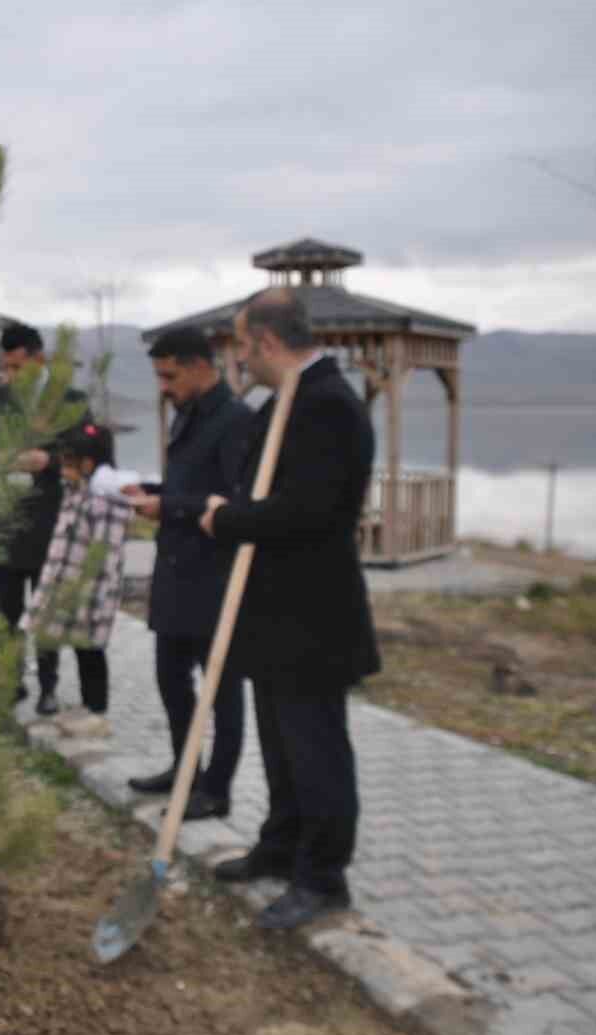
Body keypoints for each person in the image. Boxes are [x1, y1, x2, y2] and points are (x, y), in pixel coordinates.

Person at [201, 289, 380, 931]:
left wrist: (227, 520)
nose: (240, 361)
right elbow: (261, 488)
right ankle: (280, 847)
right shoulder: (285, 403)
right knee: (280, 746)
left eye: (243, 347)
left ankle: (323, 878)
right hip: (273, 616)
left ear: (268, 343)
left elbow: (308, 512)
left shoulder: (328, 406)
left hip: (313, 617)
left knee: (316, 750)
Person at [123, 326, 254, 822]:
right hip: (175, 575)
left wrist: (169, 506)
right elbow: (192, 484)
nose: (163, 387)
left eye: (170, 376)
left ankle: (216, 790)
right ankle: (184, 771)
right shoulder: (188, 415)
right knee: (171, 681)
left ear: (201, 365)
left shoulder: (235, 420)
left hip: (215, 578)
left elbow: (237, 504)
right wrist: (150, 490)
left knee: (223, 691)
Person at [0, 323, 88, 716]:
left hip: (50, 519)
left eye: (19, 367)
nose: (12, 375)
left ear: (39, 360)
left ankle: (49, 687)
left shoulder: (70, 399)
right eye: (7, 367)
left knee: (47, 612)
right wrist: (0, 461)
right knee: (6, 613)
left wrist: (50, 462)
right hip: (4, 518)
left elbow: (89, 455)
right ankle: (11, 679)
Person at [24, 423, 131, 717]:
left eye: (67, 462)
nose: (61, 468)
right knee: (47, 637)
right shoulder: (74, 490)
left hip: (87, 592)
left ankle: (95, 710)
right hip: (59, 585)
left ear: (88, 463)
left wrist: (93, 599)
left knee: (89, 651)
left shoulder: (107, 500)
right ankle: (65, 700)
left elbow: (106, 556)